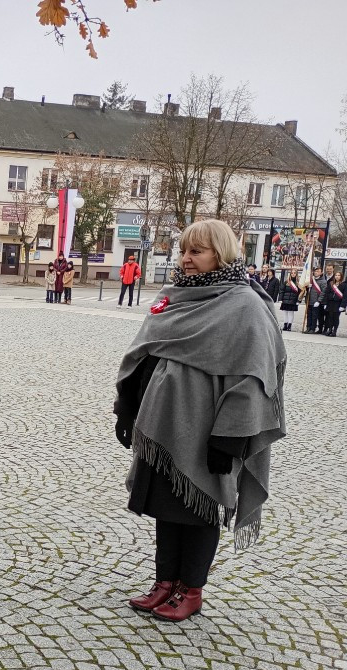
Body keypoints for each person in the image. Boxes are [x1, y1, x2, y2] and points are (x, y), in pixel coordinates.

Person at [115, 219, 285, 623]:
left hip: (207, 428)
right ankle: (165, 582)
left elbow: (253, 377)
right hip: (162, 423)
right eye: (184, 250)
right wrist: (126, 405)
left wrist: (230, 437)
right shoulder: (175, 295)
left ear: (221, 255)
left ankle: (191, 589)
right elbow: (146, 354)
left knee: (200, 507)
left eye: (198, 251)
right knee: (165, 505)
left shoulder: (244, 305)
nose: (187, 259)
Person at [321, 271, 345, 337]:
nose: (337, 276)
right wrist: (325, 303)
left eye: (338, 275)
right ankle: (330, 330)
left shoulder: (344, 285)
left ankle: (334, 331)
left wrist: (343, 306)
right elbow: (326, 293)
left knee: (336, 318)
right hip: (330, 303)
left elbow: (345, 296)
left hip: (338, 303)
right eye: (336, 275)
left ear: (341, 277)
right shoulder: (331, 284)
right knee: (330, 317)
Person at [304, 265, 327, 334]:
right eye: (315, 271)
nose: (316, 272)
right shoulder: (310, 280)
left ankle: (312, 328)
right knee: (309, 315)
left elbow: (323, 292)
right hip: (309, 300)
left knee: (314, 316)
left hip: (316, 302)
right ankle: (308, 327)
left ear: (321, 273)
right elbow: (305, 290)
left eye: (318, 271)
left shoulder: (323, 281)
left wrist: (319, 301)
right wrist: (308, 287)